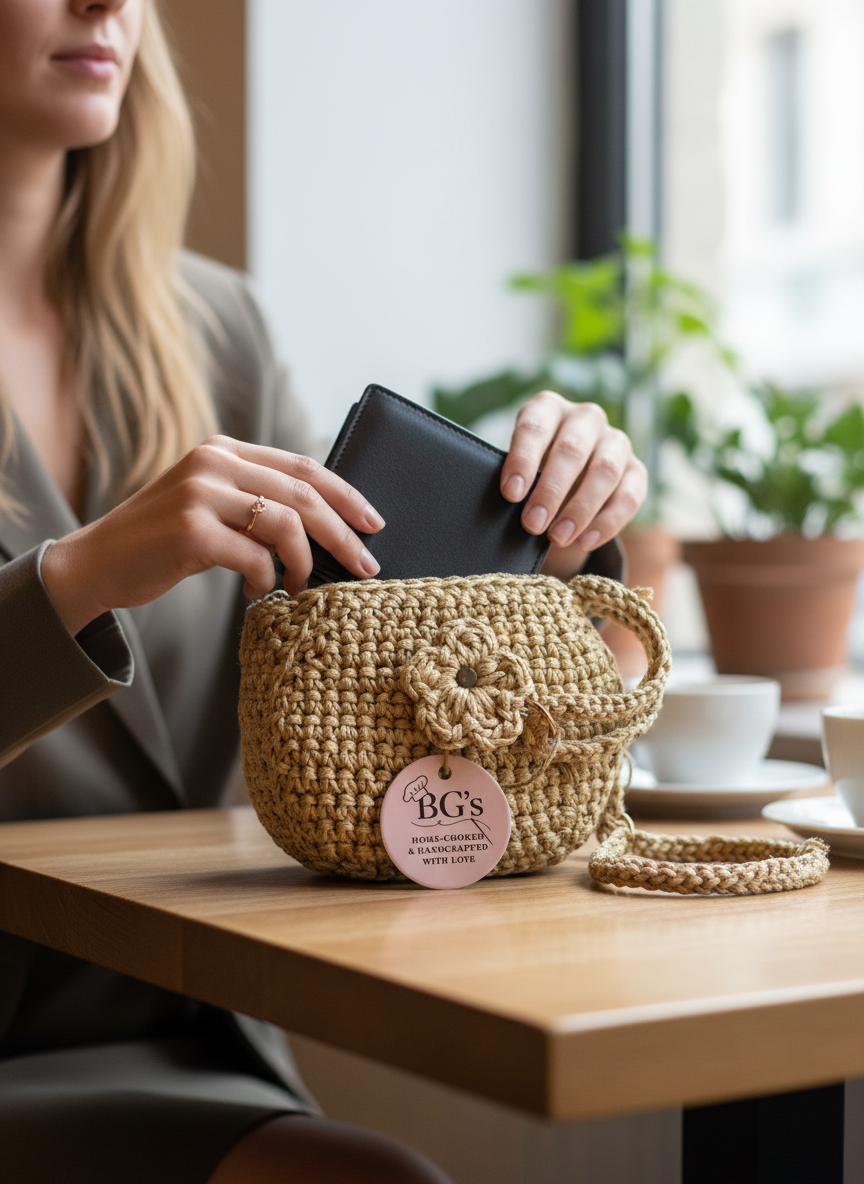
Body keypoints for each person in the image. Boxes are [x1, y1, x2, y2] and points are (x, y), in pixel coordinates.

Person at [0, 1, 648, 1180]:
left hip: (190, 1020)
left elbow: (368, 642)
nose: (106, 4)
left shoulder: (214, 327)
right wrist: (83, 573)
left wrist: (559, 538)